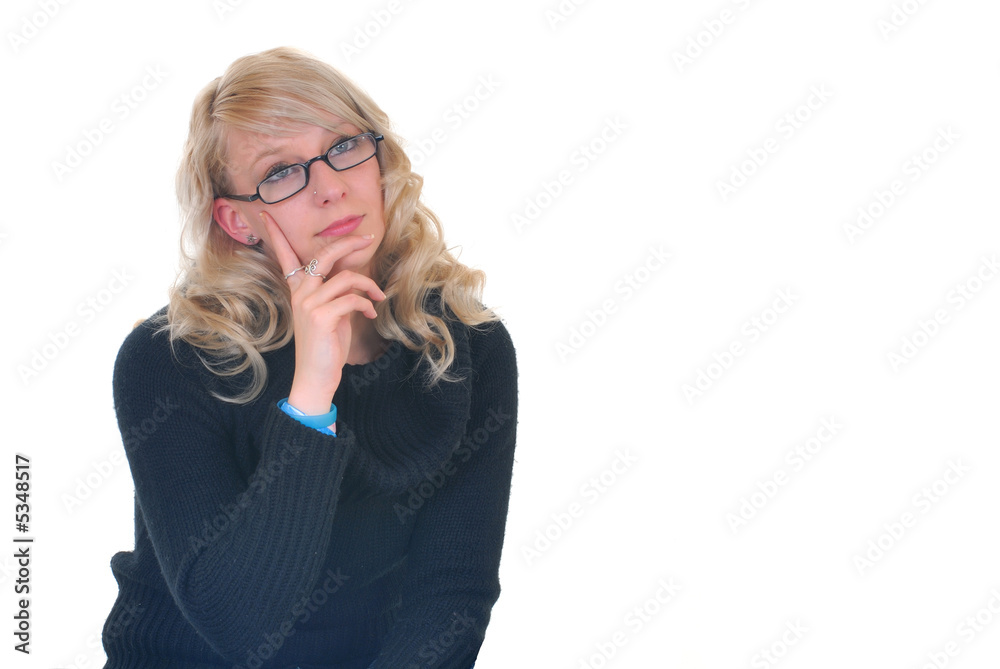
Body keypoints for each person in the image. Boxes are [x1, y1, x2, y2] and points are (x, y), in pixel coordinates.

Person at [100, 46, 517, 669]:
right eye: (281, 172)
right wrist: (312, 396)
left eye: (345, 146)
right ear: (239, 221)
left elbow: (450, 597)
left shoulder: (466, 345)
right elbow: (237, 625)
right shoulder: (171, 360)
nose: (330, 187)